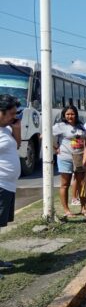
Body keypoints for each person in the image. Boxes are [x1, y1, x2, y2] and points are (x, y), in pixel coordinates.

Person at [53, 105, 86, 219]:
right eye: (68, 114)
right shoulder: (60, 126)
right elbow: (44, 135)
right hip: (65, 158)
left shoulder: (80, 126)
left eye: (72, 114)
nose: (70, 116)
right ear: (64, 115)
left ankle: (83, 208)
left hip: (79, 158)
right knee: (65, 184)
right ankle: (67, 210)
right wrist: (55, 148)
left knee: (81, 184)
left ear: (76, 114)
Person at [0, 94, 22, 277]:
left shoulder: (5, 129)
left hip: (7, 185)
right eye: (12, 114)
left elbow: (16, 146)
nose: (14, 117)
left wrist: (16, 128)